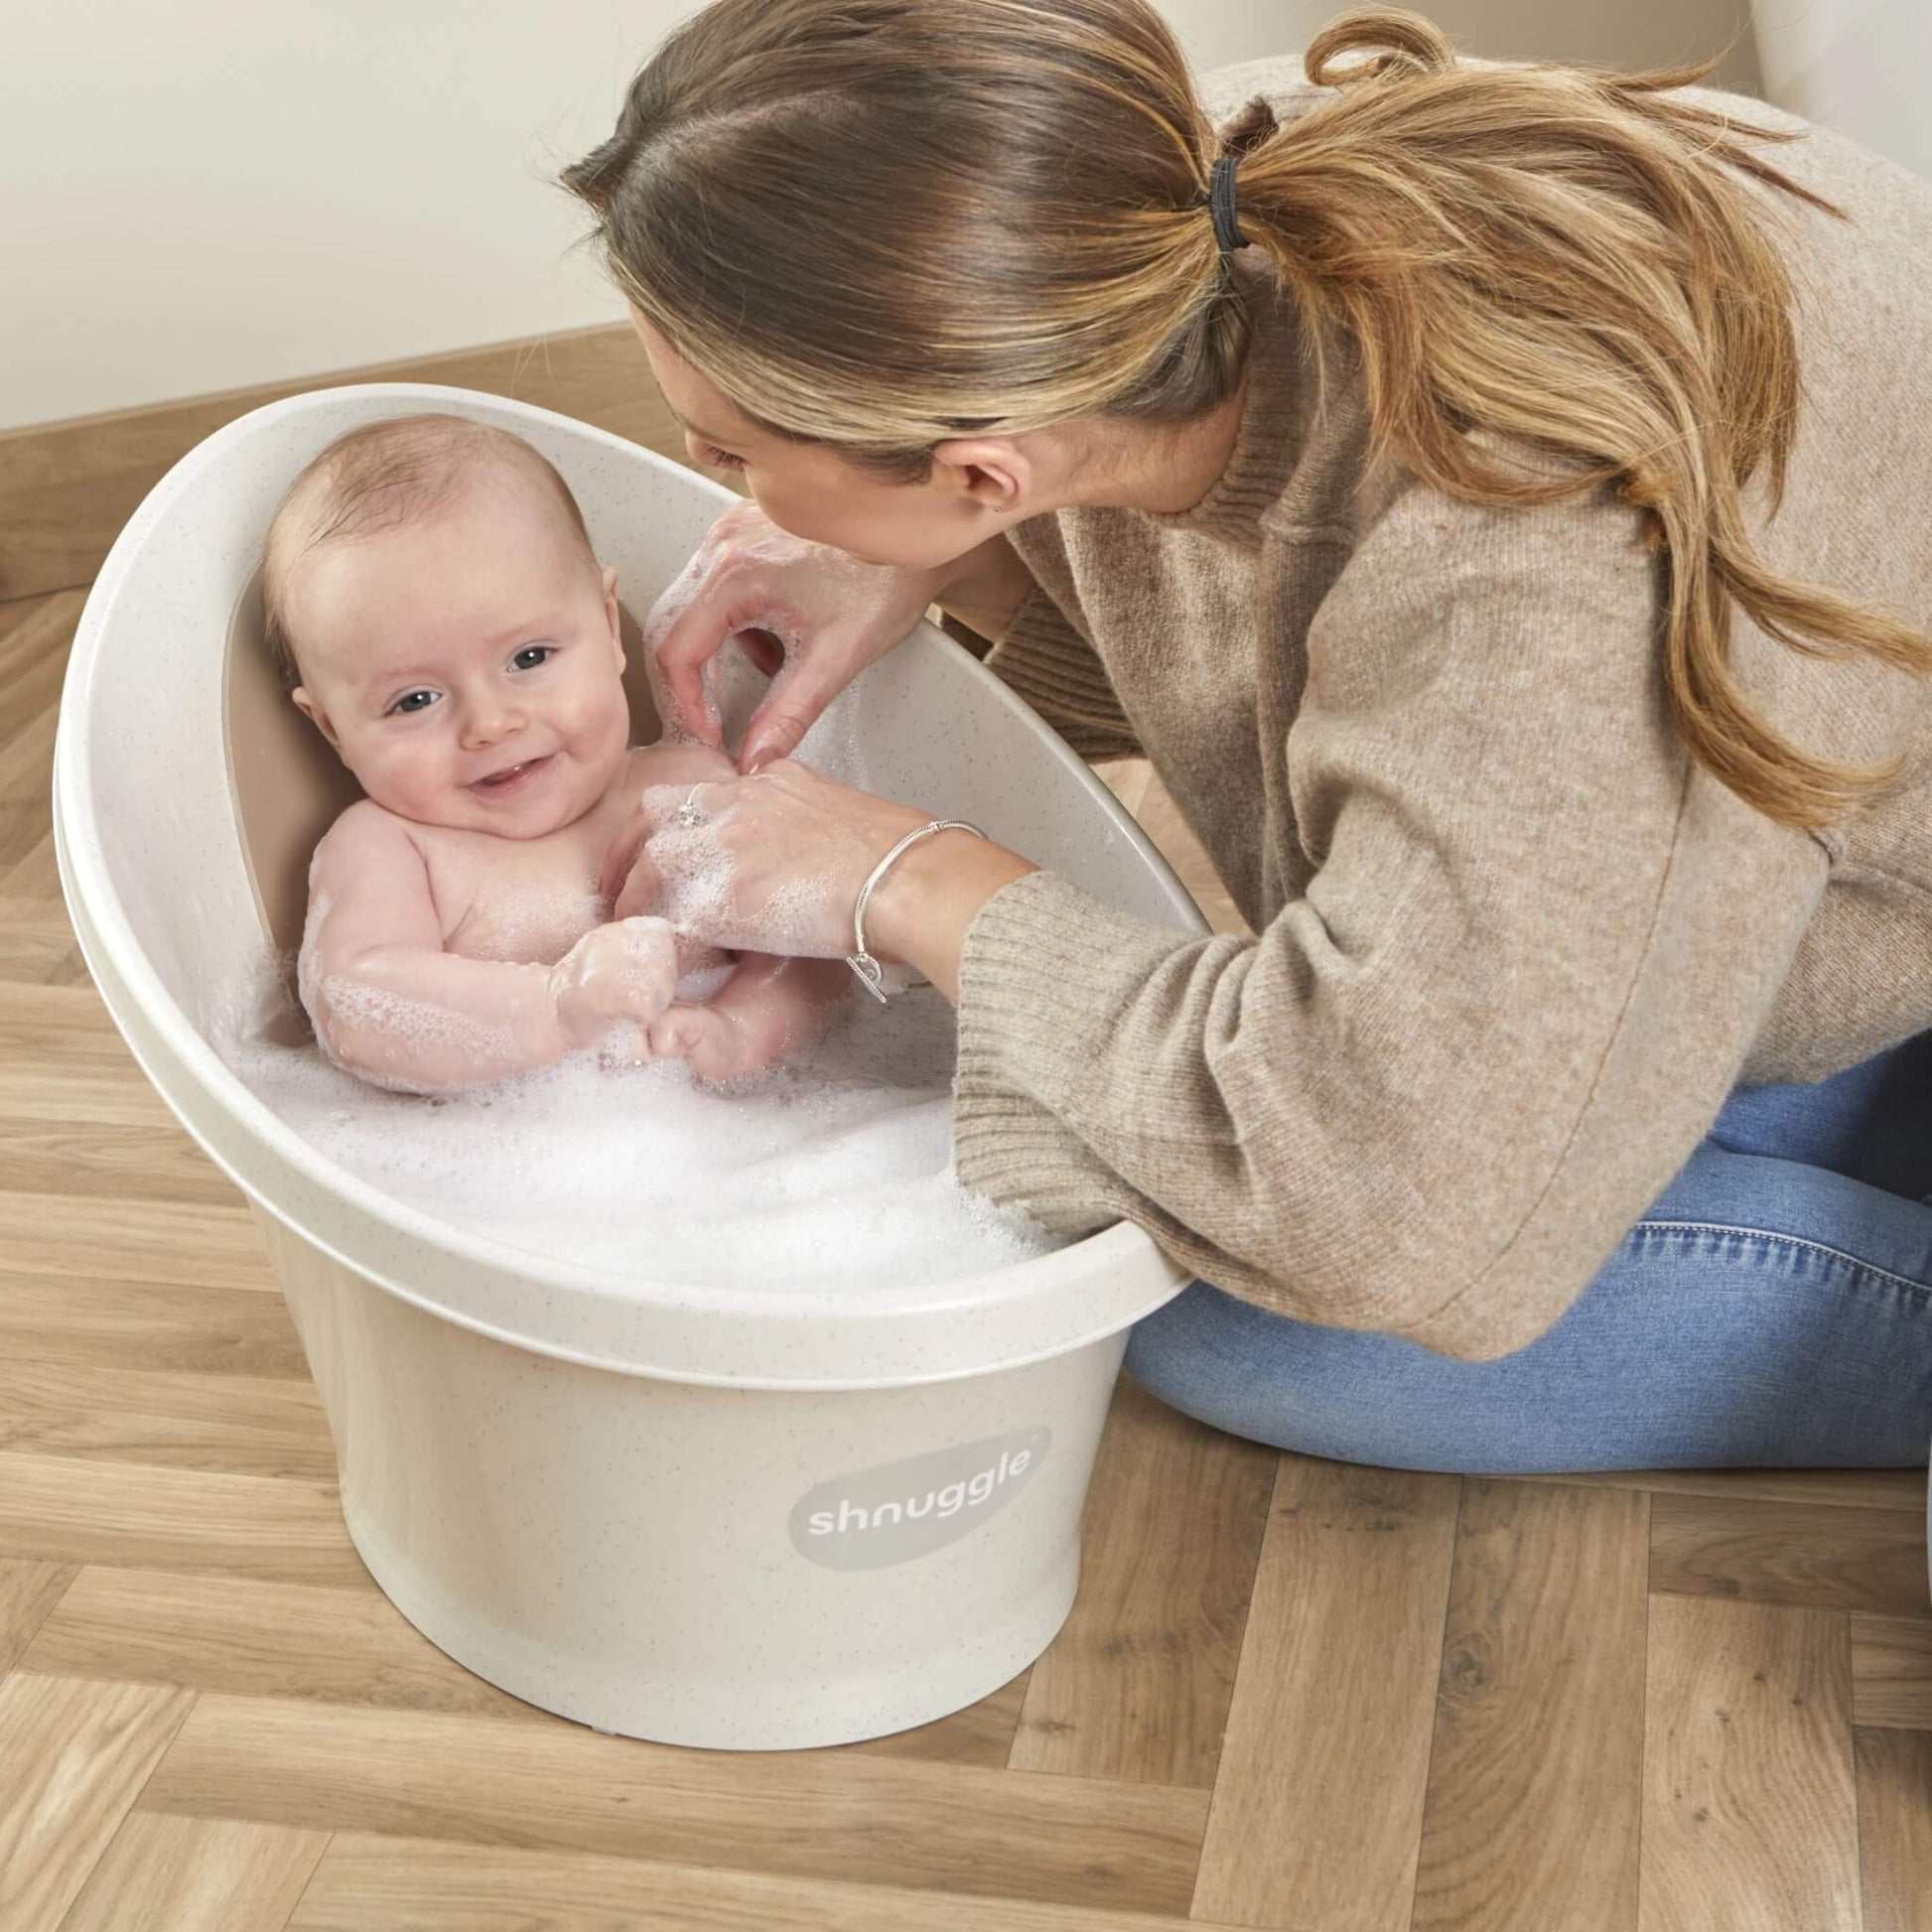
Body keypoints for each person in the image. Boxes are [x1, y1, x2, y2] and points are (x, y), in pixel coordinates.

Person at [563, 1, 1932, 1469]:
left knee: (1219, 1304)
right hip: (1823, 824)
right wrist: (962, 559)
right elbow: (1313, 656)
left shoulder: (1538, 550)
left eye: (734, 451)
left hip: (1847, 924)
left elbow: (1394, 1207)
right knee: (1141, 1169)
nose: (730, 498)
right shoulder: (1166, 189)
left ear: (982, 460)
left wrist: (915, 874)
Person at [263, 413, 851, 1093]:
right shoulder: (389, 846)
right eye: (414, 701)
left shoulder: (693, 787)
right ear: (332, 728)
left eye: (529, 657)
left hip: (744, 1144)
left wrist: (742, 1028)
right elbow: (354, 1009)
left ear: (607, 626)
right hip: (511, 1166)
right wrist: (555, 1008)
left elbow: (810, 955)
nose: (490, 723)